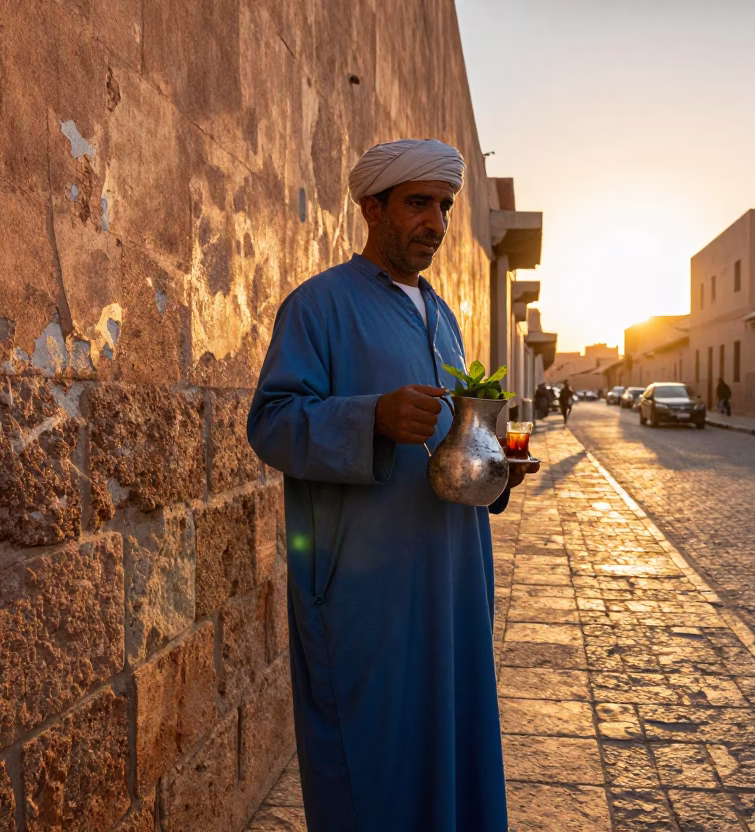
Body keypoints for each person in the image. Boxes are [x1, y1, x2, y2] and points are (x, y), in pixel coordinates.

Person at [248, 139, 536, 832]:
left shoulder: (442, 317)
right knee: (372, 767)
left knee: (452, 746)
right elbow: (272, 423)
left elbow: (451, 441)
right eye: (418, 204)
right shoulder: (318, 306)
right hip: (365, 595)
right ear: (371, 208)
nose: (435, 221)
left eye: (443, 206)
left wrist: (496, 467)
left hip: (453, 583)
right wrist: (370, 417)